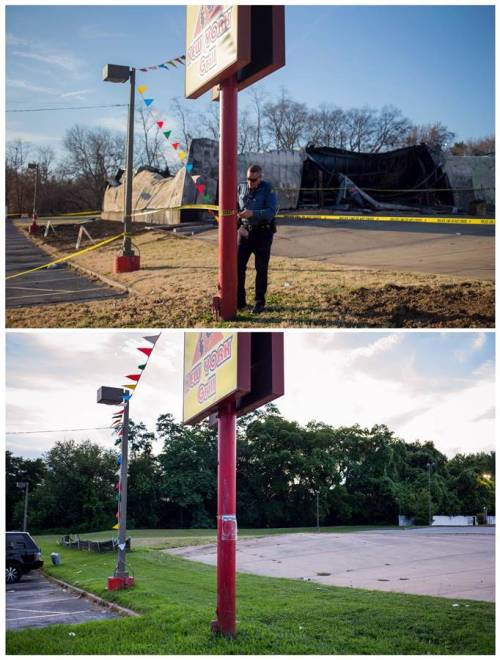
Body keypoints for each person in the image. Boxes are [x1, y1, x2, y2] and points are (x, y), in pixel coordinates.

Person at [237, 164, 277, 314]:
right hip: (244, 231)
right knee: (238, 267)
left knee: (261, 269)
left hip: (262, 233)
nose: (250, 182)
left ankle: (259, 302)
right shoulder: (241, 187)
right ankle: (240, 302)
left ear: (260, 178)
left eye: (253, 180)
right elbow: (235, 205)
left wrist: (252, 213)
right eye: (248, 179)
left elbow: (271, 212)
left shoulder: (268, 189)